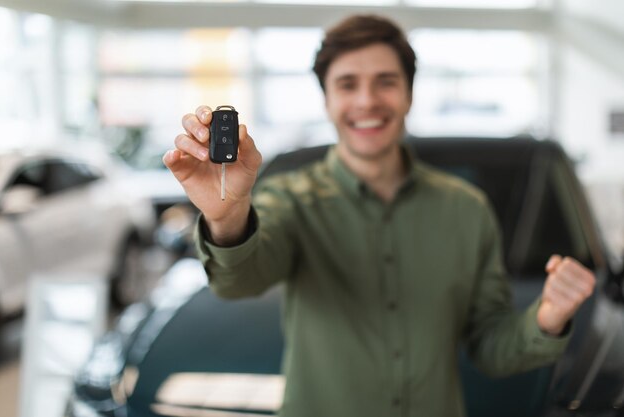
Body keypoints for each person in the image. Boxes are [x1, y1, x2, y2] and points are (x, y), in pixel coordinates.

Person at [163, 14, 596, 417]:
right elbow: (242, 280)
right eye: (348, 84)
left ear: (408, 93)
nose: (367, 101)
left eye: (385, 82)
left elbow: (490, 345)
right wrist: (228, 216)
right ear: (327, 99)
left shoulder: (466, 209)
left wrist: (547, 318)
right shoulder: (290, 200)